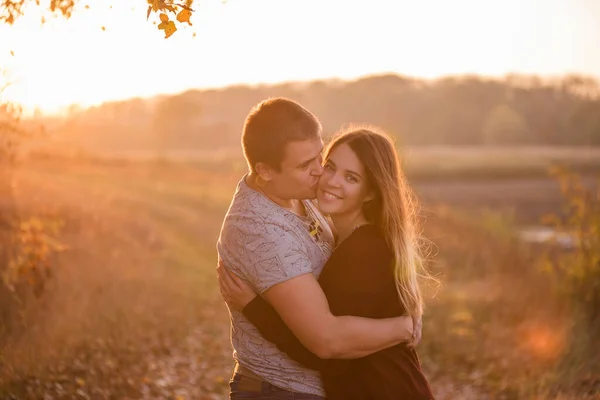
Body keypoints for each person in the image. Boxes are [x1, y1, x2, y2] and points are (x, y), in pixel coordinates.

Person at [216, 98, 417, 400]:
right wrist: (405, 327)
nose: (321, 172)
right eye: (305, 165)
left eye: (319, 157)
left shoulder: (303, 191)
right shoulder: (260, 231)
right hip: (281, 391)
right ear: (266, 171)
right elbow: (326, 341)